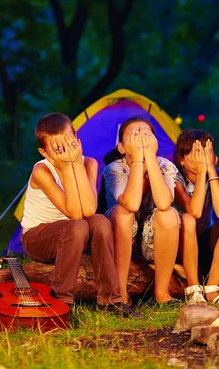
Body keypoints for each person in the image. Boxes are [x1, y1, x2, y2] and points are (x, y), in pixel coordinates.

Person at [21, 113, 138, 317]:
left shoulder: (89, 164)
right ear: (44, 152)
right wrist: (68, 167)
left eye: (68, 143)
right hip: (38, 237)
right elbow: (75, 214)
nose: (64, 150)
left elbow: (89, 210)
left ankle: (111, 299)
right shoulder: (42, 171)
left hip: (73, 233)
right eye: (57, 147)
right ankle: (61, 301)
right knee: (78, 225)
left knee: (100, 221)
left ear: (77, 140)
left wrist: (76, 165)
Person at [104, 117, 180, 306]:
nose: (140, 139)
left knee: (169, 214)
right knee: (123, 213)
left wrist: (151, 160)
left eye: (146, 134)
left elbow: (163, 203)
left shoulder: (165, 166)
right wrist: (138, 160)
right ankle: (120, 293)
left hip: (151, 242)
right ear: (122, 147)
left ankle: (162, 293)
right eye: (134, 134)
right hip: (119, 238)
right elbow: (131, 204)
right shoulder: (115, 169)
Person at [173, 130, 219, 306]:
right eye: (195, 152)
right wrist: (202, 173)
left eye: (206, 151)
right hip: (181, 241)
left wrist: (210, 170)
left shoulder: (215, 173)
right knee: (188, 219)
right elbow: (194, 212)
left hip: (205, 239)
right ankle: (193, 288)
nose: (202, 156)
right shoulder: (176, 177)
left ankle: (212, 288)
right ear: (181, 159)